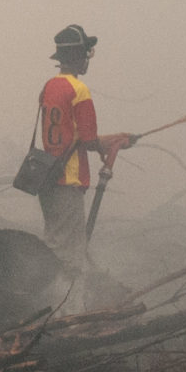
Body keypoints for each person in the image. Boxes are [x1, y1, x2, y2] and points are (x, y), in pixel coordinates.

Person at [37, 23, 133, 269]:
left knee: (54, 245)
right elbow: (90, 142)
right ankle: (68, 303)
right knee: (69, 256)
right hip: (68, 180)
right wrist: (115, 141)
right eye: (85, 54)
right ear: (78, 56)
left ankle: (49, 298)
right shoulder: (79, 90)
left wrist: (115, 138)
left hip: (46, 177)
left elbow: (73, 134)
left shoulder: (50, 86)